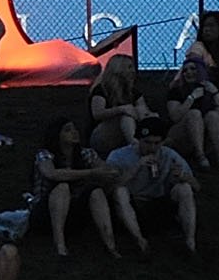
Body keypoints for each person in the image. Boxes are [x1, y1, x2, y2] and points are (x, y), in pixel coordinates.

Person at [164, 11, 219, 169]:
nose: (206, 30)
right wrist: (190, 96)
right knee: (195, 114)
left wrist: (217, 94)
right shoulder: (179, 86)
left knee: (213, 116)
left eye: (211, 26)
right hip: (182, 131)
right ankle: (200, 156)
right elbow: (175, 116)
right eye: (204, 27)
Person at [105, 118, 200, 255]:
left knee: (184, 188)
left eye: (157, 143)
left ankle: (190, 242)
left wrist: (183, 176)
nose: (152, 148)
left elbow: (197, 187)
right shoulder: (119, 156)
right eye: (147, 143)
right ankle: (140, 241)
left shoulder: (169, 155)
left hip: (159, 205)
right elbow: (109, 188)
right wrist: (136, 168)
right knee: (120, 192)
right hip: (134, 205)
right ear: (138, 140)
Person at [30, 117, 119, 256]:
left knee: (95, 192)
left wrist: (104, 172)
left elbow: (108, 171)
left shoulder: (86, 154)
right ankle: (60, 245)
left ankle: (110, 243)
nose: (74, 132)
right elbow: (51, 173)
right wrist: (91, 172)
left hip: (75, 211)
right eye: (67, 130)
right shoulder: (45, 155)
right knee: (62, 187)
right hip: (45, 212)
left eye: (74, 129)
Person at [86, 50, 146, 152]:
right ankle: (134, 144)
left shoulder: (134, 92)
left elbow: (143, 111)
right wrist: (121, 109)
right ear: (119, 69)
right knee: (125, 117)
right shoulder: (101, 90)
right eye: (129, 67)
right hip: (102, 136)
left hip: (126, 133)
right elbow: (97, 113)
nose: (133, 71)